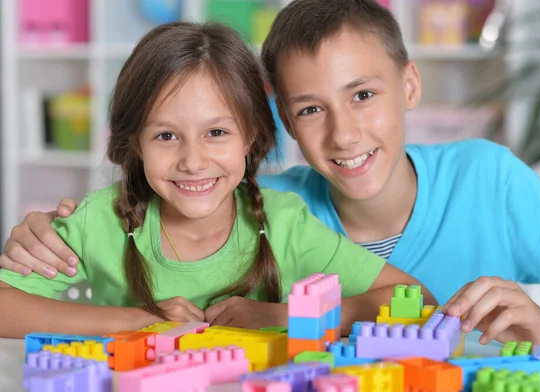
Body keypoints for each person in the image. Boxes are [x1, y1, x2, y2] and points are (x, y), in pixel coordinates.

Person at [2, 0, 540, 348]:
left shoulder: (489, 180)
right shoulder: (260, 203)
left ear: (409, 85)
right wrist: (45, 234)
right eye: (310, 109)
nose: (343, 133)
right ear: (282, 121)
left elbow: (409, 298)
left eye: (363, 94)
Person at [0, 21, 435, 339]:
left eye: (217, 132)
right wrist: (134, 320)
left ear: (250, 136)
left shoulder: (285, 223)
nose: (193, 161)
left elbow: (415, 299)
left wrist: (283, 316)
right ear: (134, 141)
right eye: (166, 135)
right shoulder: (100, 219)